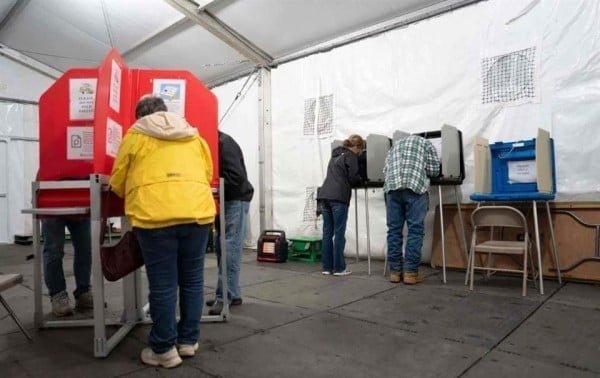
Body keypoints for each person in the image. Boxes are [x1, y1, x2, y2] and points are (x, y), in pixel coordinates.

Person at [110, 96, 216, 368]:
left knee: (164, 284)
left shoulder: (135, 136)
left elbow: (118, 179)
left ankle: (163, 348)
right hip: (197, 213)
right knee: (192, 280)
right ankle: (188, 341)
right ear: (166, 112)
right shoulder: (194, 136)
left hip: (155, 215)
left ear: (139, 116)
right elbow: (207, 172)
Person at [206, 131, 254, 316]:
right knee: (222, 248)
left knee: (229, 249)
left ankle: (224, 296)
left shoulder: (224, 143)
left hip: (234, 200)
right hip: (224, 200)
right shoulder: (218, 142)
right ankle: (232, 294)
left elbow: (236, 178)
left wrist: (209, 185)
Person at [383, 134, 440, 284]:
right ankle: (410, 273)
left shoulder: (395, 145)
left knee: (394, 231)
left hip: (393, 188)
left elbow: (386, 168)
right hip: (415, 188)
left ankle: (395, 272)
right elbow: (434, 170)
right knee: (415, 231)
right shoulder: (425, 143)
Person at [316, 134, 365, 276]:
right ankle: (339, 268)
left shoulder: (335, 155)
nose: (360, 153)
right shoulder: (351, 156)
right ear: (357, 147)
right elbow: (353, 177)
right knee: (339, 234)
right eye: (360, 150)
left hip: (324, 195)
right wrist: (361, 179)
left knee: (327, 233)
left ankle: (327, 268)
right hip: (338, 197)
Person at [42, 218, 93, 316]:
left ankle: (83, 292)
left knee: (85, 247)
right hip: (52, 205)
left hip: (79, 204)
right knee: (54, 249)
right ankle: (58, 294)